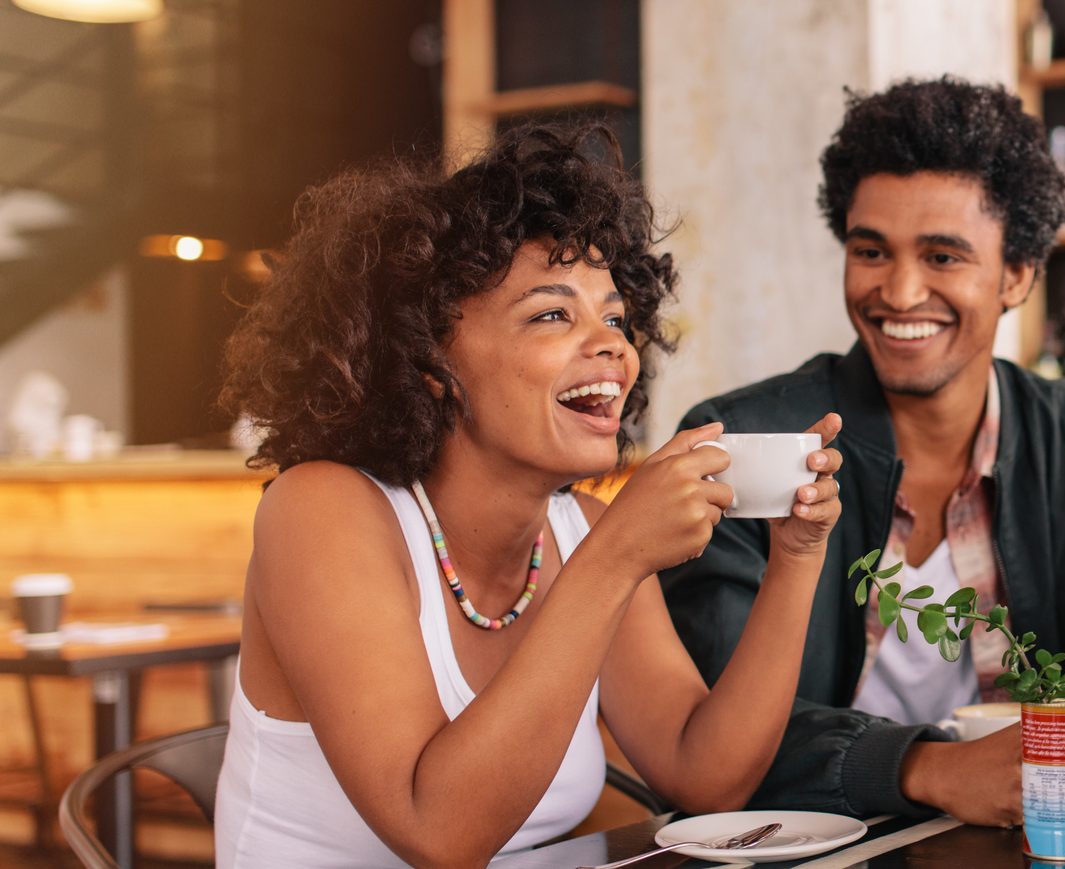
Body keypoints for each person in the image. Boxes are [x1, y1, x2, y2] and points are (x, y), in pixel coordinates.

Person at [212, 125, 845, 867]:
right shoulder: (323, 511)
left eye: (614, 315)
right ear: (427, 359)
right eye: (552, 313)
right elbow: (437, 832)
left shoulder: (581, 527)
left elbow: (705, 775)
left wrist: (797, 558)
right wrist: (614, 560)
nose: (613, 344)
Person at [660, 77, 1065, 826]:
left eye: (942, 256)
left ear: (1017, 274)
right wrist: (926, 767)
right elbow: (710, 729)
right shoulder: (744, 443)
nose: (899, 292)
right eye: (871, 250)